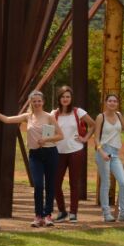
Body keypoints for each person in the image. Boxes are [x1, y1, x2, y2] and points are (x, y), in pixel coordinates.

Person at [0, 91, 62, 227]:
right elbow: (7, 120)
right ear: (31, 102)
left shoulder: (49, 117)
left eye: (39, 101)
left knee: (50, 185)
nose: (37, 103)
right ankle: (38, 216)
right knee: (38, 185)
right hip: (35, 155)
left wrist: (47, 139)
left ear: (43, 102)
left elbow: (60, 135)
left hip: (50, 153)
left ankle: (47, 215)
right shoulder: (28, 116)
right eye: (34, 101)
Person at [87, 93, 124, 223]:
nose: (112, 103)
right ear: (106, 103)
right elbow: (95, 138)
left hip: (115, 154)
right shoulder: (100, 117)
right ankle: (106, 214)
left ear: (117, 103)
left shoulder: (118, 115)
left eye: (115, 101)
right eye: (110, 101)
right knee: (106, 184)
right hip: (103, 152)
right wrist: (101, 152)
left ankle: (123, 213)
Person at [51, 85, 94, 222]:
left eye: (68, 97)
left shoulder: (78, 112)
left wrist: (85, 138)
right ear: (59, 98)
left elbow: (93, 124)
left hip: (76, 151)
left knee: (74, 183)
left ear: (71, 98)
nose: (65, 99)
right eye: (63, 96)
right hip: (58, 152)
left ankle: (73, 213)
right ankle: (62, 211)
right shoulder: (53, 114)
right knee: (55, 183)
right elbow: (46, 130)